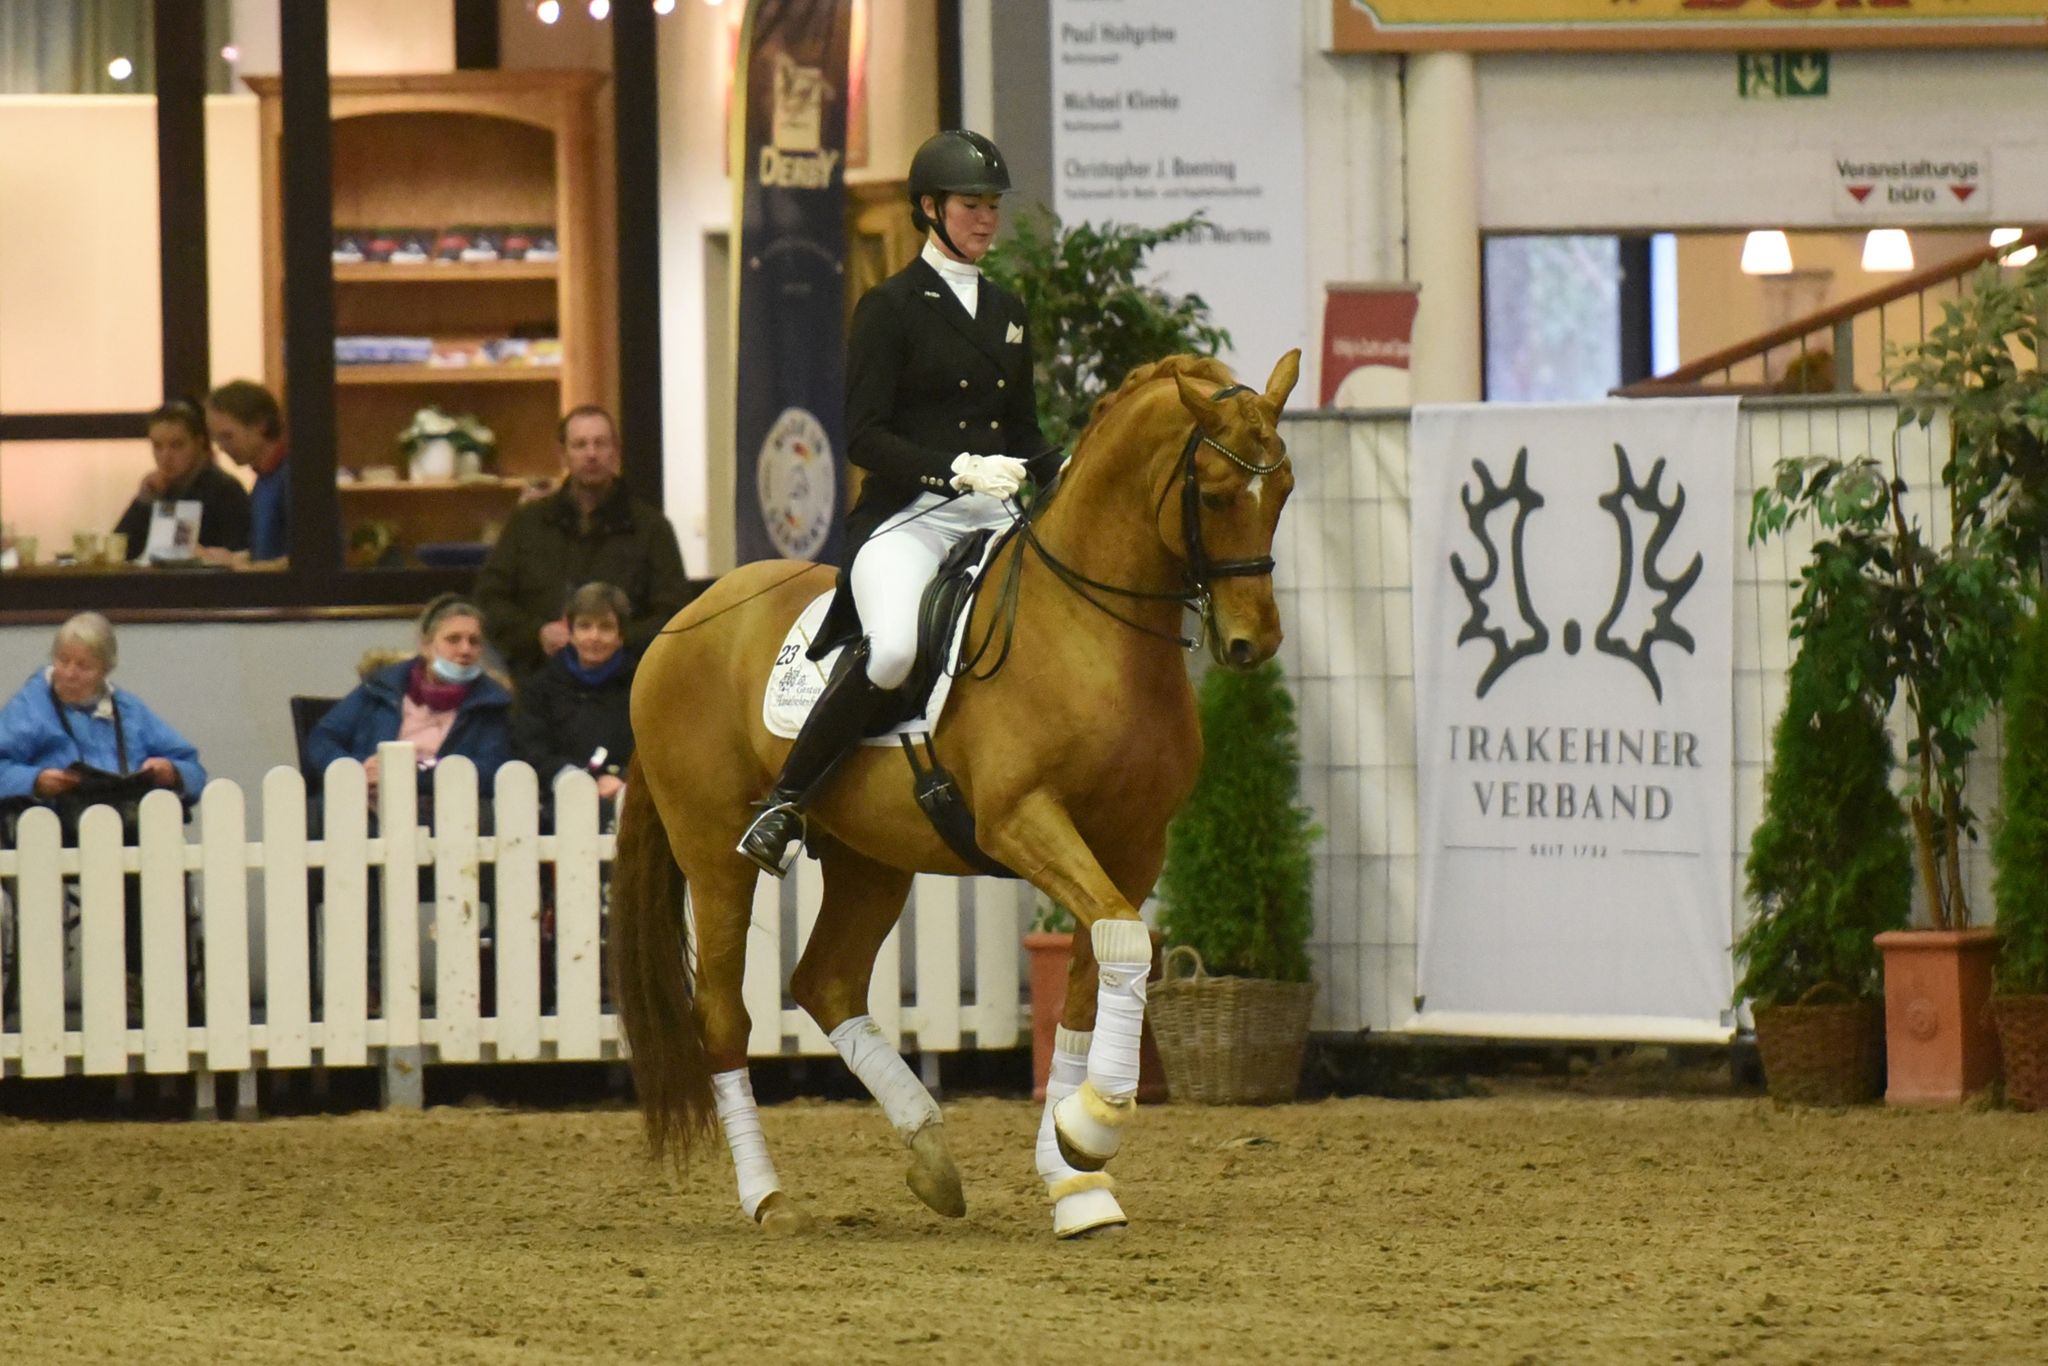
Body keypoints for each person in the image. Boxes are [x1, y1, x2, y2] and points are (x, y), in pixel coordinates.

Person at [737, 129, 1059, 877]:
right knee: (894, 648)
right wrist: (955, 470)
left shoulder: (1009, 309)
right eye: (970, 205)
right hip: (909, 516)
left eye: (992, 207)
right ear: (930, 209)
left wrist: (1061, 467)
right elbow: (864, 435)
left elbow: (1023, 429)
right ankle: (786, 801)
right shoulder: (890, 307)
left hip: (991, 512)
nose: (986, 219)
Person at [476, 405, 693, 679]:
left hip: (626, 685)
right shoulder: (528, 523)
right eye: (580, 445)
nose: (591, 454)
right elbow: (490, 599)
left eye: (600, 444)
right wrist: (537, 634)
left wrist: (617, 638)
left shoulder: (651, 528)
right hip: (539, 684)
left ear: (615, 450)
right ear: (563, 454)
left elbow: (675, 614)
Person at [0, 613, 206, 832]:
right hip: (51, 838)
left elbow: (193, 771)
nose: (70, 673)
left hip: (129, 841)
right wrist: (35, 781)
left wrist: (172, 772)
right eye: (62, 660)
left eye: (83, 666)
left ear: (105, 669)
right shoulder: (29, 707)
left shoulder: (130, 712)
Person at [305, 594, 513, 805]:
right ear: (426, 646)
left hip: (441, 814)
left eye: (474, 641)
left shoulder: (490, 703)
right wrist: (357, 769)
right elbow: (322, 740)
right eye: (453, 640)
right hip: (363, 805)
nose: (465, 650)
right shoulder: (381, 687)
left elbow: (492, 771)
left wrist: (410, 775)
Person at [510, 581, 636, 807]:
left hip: (624, 800)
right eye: (585, 626)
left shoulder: (640, 686)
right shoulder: (540, 688)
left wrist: (623, 778)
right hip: (555, 804)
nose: (594, 636)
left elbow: (651, 752)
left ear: (621, 634)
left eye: (606, 627)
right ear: (571, 632)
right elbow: (531, 750)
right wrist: (584, 779)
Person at [112, 398, 253, 561]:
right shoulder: (159, 490)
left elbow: (239, 556)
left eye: (177, 445)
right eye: (157, 446)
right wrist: (143, 502)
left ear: (199, 443)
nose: (165, 457)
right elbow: (119, 551)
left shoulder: (224, 491)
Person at [205, 379, 290, 565]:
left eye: (228, 436)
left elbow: (313, 559)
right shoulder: (264, 479)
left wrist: (240, 566)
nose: (222, 447)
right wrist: (231, 558)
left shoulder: (295, 477)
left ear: (260, 425)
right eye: (217, 439)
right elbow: (267, 552)